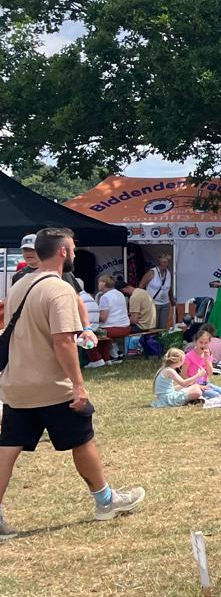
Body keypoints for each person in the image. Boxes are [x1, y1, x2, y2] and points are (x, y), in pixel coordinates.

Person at [0, 228, 145, 540]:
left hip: (16, 382)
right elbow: (64, 341)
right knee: (83, 440)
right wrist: (78, 384)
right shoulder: (59, 289)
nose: (76, 254)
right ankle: (106, 501)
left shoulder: (20, 284)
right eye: (73, 249)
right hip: (53, 385)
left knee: (8, 448)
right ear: (63, 251)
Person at [90, 275, 133, 366]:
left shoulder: (105, 297)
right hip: (126, 327)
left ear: (103, 284)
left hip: (113, 329)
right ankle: (114, 354)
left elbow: (103, 318)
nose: (98, 284)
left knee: (92, 333)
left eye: (99, 282)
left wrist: (92, 316)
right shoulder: (119, 294)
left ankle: (101, 358)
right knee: (102, 332)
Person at [140, 253, 173, 329]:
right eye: (163, 262)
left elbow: (169, 287)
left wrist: (172, 299)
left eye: (166, 262)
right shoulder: (152, 272)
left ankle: (161, 337)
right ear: (159, 262)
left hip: (165, 303)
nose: (165, 264)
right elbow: (141, 285)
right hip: (153, 303)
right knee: (153, 326)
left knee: (163, 327)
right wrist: (142, 300)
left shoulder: (168, 273)